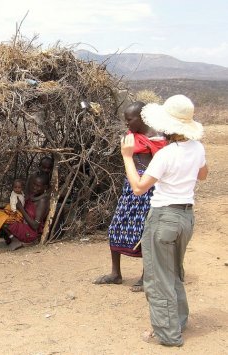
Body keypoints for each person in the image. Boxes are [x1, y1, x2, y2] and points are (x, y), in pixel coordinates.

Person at [120, 95, 208, 346]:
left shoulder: (166, 155)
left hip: (164, 217)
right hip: (185, 217)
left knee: (158, 278)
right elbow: (202, 175)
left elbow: (138, 188)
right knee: (173, 271)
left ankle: (167, 334)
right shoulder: (197, 147)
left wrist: (127, 156)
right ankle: (178, 320)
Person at [93, 102, 166, 291]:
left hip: (150, 189)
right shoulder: (131, 137)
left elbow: (161, 166)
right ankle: (115, 273)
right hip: (130, 187)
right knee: (116, 226)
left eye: (129, 120)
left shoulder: (158, 138)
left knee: (145, 232)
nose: (126, 124)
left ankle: (145, 275)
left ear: (141, 118)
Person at [0, 172, 50, 249]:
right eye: (34, 184)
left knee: (1, 219)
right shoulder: (33, 195)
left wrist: (21, 208)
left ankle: (14, 239)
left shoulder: (42, 201)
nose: (34, 187)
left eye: (38, 186)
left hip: (30, 232)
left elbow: (35, 225)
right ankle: (9, 237)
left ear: (45, 187)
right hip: (22, 222)